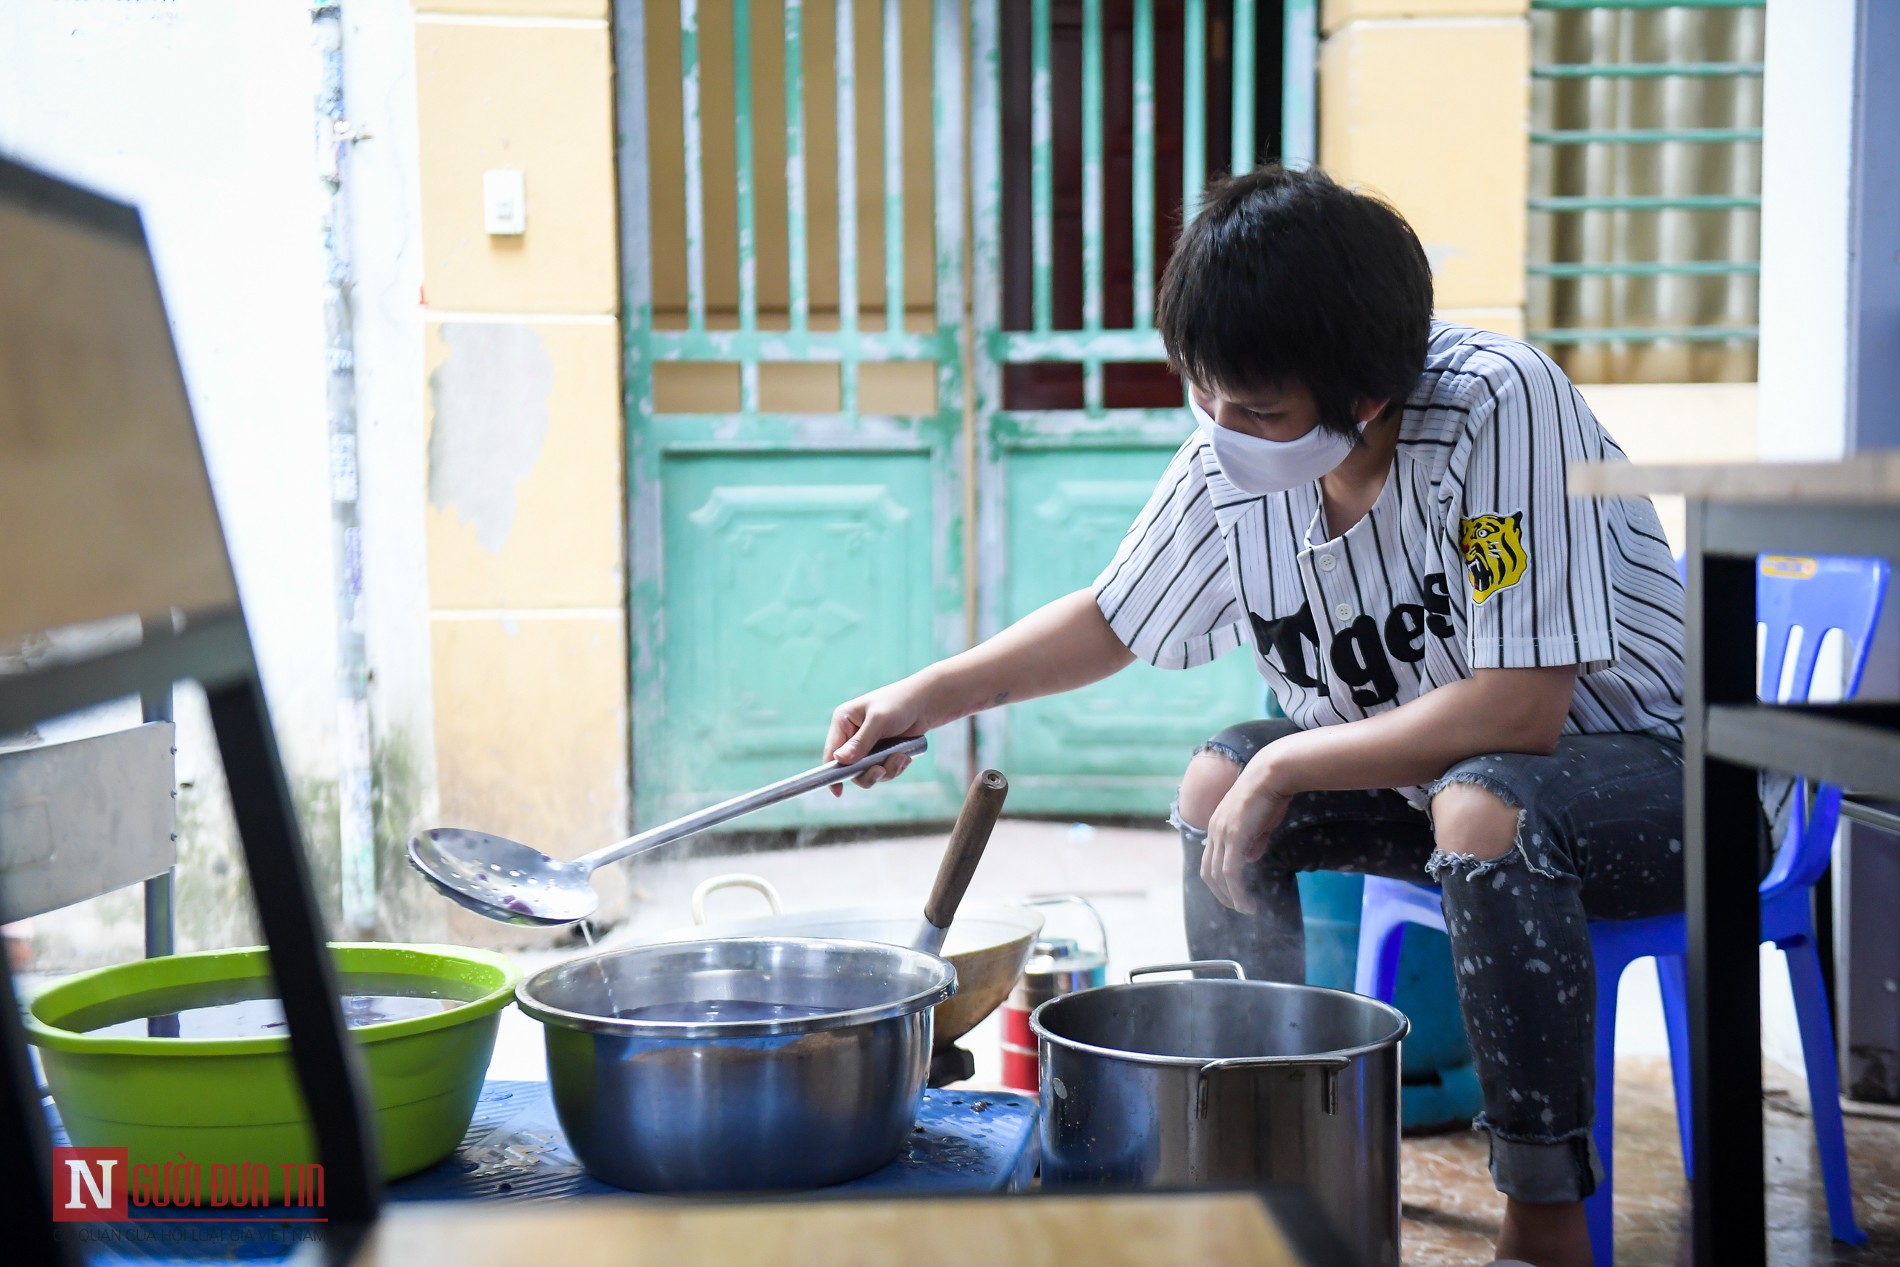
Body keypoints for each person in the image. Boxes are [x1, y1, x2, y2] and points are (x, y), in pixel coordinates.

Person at [822, 165, 1688, 1267]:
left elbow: (1518, 707)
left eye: (1254, 410)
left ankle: (1543, 1223)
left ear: (1366, 394)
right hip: (1452, 789)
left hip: (1650, 778)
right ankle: (1267, 1155)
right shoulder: (1242, 445)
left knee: (1478, 805)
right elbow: (1114, 614)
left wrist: (1285, 768)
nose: (1220, 432)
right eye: (1203, 396)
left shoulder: (1495, 408)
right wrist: (927, 693)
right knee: (1215, 780)